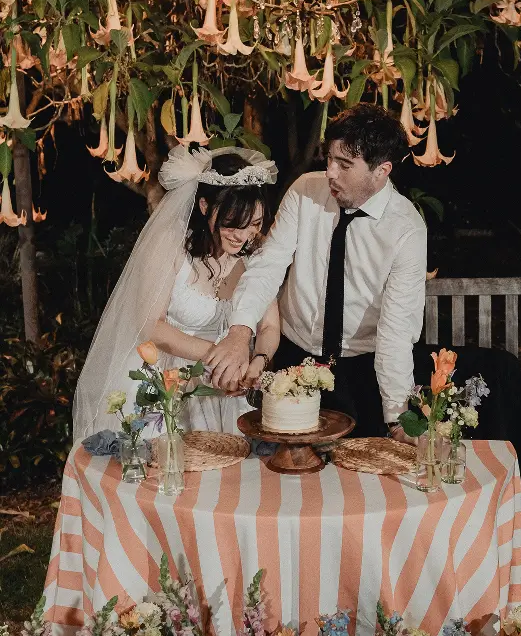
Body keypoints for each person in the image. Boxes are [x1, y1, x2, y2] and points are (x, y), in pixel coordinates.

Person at [205, 103, 427, 440]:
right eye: (330, 159)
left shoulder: (407, 230)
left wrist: (397, 416)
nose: (331, 173)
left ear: (381, 170)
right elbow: (268, 266)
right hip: (293, 357)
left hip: (359, 367)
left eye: (344, 165)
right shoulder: (305, 191)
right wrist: (239, 333)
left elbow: (396, 331)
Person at [72, 146, 280, 442]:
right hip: (170, 377)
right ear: (206, 206)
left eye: (254, 224)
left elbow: (270, 325)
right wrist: (219, 357)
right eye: (233, 224)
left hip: (231, 382)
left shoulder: (255, 252)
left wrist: (256, 361)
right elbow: (150, 326)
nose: (244, 235)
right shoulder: (170, 246)